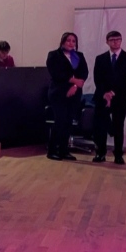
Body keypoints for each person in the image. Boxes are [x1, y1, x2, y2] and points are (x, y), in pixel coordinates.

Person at [92, 32, 126, 165]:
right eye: (112, 40)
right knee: (101, 125)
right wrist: (105, 93)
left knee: (118, 125)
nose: (115, 42)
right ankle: (100, 153)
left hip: (120, 96)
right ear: (107, 42)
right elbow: (97, 78)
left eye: (118, 39)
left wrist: (112, 92)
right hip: (102, 96)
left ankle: (118, 155)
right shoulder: (100, 58)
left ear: (121, 41)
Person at [45, 32, 88, 162]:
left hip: (74, 93)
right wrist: (73, 81)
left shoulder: (79, 56)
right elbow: (56, 73)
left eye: (73, 41)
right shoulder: (54, 55)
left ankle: (64, 150)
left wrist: (75, 86)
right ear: (63, 41)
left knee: (69, 122)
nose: (71, 43)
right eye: (68, 40)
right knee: (60, 120)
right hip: (58, 92)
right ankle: (52, 150)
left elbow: (84, 72)